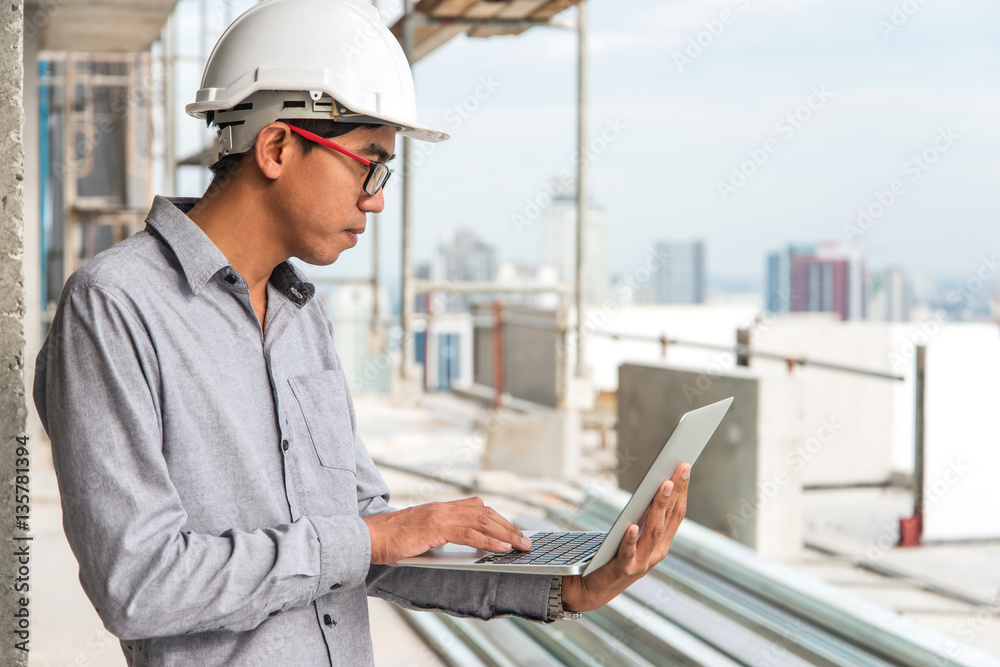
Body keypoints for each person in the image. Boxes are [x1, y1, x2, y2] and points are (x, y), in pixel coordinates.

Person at [33, 0, 690, 664]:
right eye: (369, 163)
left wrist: (570, 584)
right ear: (278, 146)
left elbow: (370, 547)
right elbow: (139, 583)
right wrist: (371, 538)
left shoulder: (301, 315)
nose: (376, 197)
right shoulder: (116, 307)